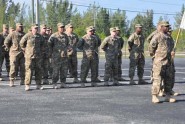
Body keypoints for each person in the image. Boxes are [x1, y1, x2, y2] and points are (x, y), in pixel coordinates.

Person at [149, 21, 176, 103]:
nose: (167, 27)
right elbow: (151, 47)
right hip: (159, 62)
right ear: (161, 27)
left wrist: (173, 52)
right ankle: (154, 96)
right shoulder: (157, 36)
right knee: (157, 79)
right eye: (165, 26)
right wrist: (154, 56)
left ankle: (167, 96)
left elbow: (172, 47)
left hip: (168, 62)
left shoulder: (169, 37)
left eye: (168, 26)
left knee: (168, 79)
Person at [20, 24, 44, 91]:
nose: (36, 29)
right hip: (29, 56)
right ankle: (27, 85)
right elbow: (21, 43)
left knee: (38, 70)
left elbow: (43, 44)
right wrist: (25, 49)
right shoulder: (28, 35)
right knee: (29, 70)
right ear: (32, 28)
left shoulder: (40, 36)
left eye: (37, 28)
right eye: (35, 28)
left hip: (38, 56)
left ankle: (38, 84)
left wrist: (41, 51)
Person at [48, 23, 69, 89]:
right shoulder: (53, 36)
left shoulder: (65, 36)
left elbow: (67, 44)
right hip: (56, 56)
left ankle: (63, 83)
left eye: (63, 27)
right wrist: (51, 53)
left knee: (64, 70)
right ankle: (54, 83)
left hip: (64, 56)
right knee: (56, 71)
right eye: (60, 27)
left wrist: (68, 49)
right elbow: (49, 45)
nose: (62, 28)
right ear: (58, 28)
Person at [167, 27, 179, 96]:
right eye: (169, 31)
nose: (170, 32)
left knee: (171, 75)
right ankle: (161, 90)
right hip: (164, 59)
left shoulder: (171, 39)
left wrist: (173, 51)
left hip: (171, 59)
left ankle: (170, 89)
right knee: (164, 75)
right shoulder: (163, 38)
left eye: (171, 31)